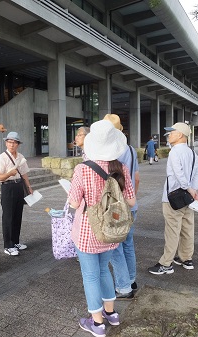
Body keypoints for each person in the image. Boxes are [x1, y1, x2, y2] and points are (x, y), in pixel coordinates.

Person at [68, 120, 136, 337]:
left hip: (88, 231)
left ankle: (97, 324)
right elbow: (132, 202)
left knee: (90, 276)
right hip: (111, 231)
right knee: (104, 270)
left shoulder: (82, 169)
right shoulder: (120, 167)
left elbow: (74, 204)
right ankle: (111, 314)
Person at [148, 123, 198, 275]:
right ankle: (186, 258)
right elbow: (197, 174)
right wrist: (193, 190)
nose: (168, 135)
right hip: (188, 198)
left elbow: (178, 173)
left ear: (180, 135)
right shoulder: (192, 153)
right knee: (187, 228)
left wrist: (188, 187)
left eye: (171, 132)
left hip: (173, 197)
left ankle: (166, 263)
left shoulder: (174, 152)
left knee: (172, 230)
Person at [104, 114, 140, 300]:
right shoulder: (131, 149)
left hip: (117, 209)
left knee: (115, 247)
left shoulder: (112, 152)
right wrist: (131, 197)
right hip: (132, 206)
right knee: (128, 245)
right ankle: (131, 279)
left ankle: (124, 287)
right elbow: (137, 178)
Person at [0, 131, 32, 256]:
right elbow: (0, 177)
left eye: (14, 142)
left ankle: (15, 242)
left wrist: (29, 187)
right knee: (8, 217)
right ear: (6, 143)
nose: (12, 145)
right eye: (9, 142)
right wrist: (9, 174)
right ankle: (8, 245)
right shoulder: (2, 158)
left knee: (17, 215)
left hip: (18, 186)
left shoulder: (20, 157)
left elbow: (25, 173)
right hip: (7, 187)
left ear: (18, 144)